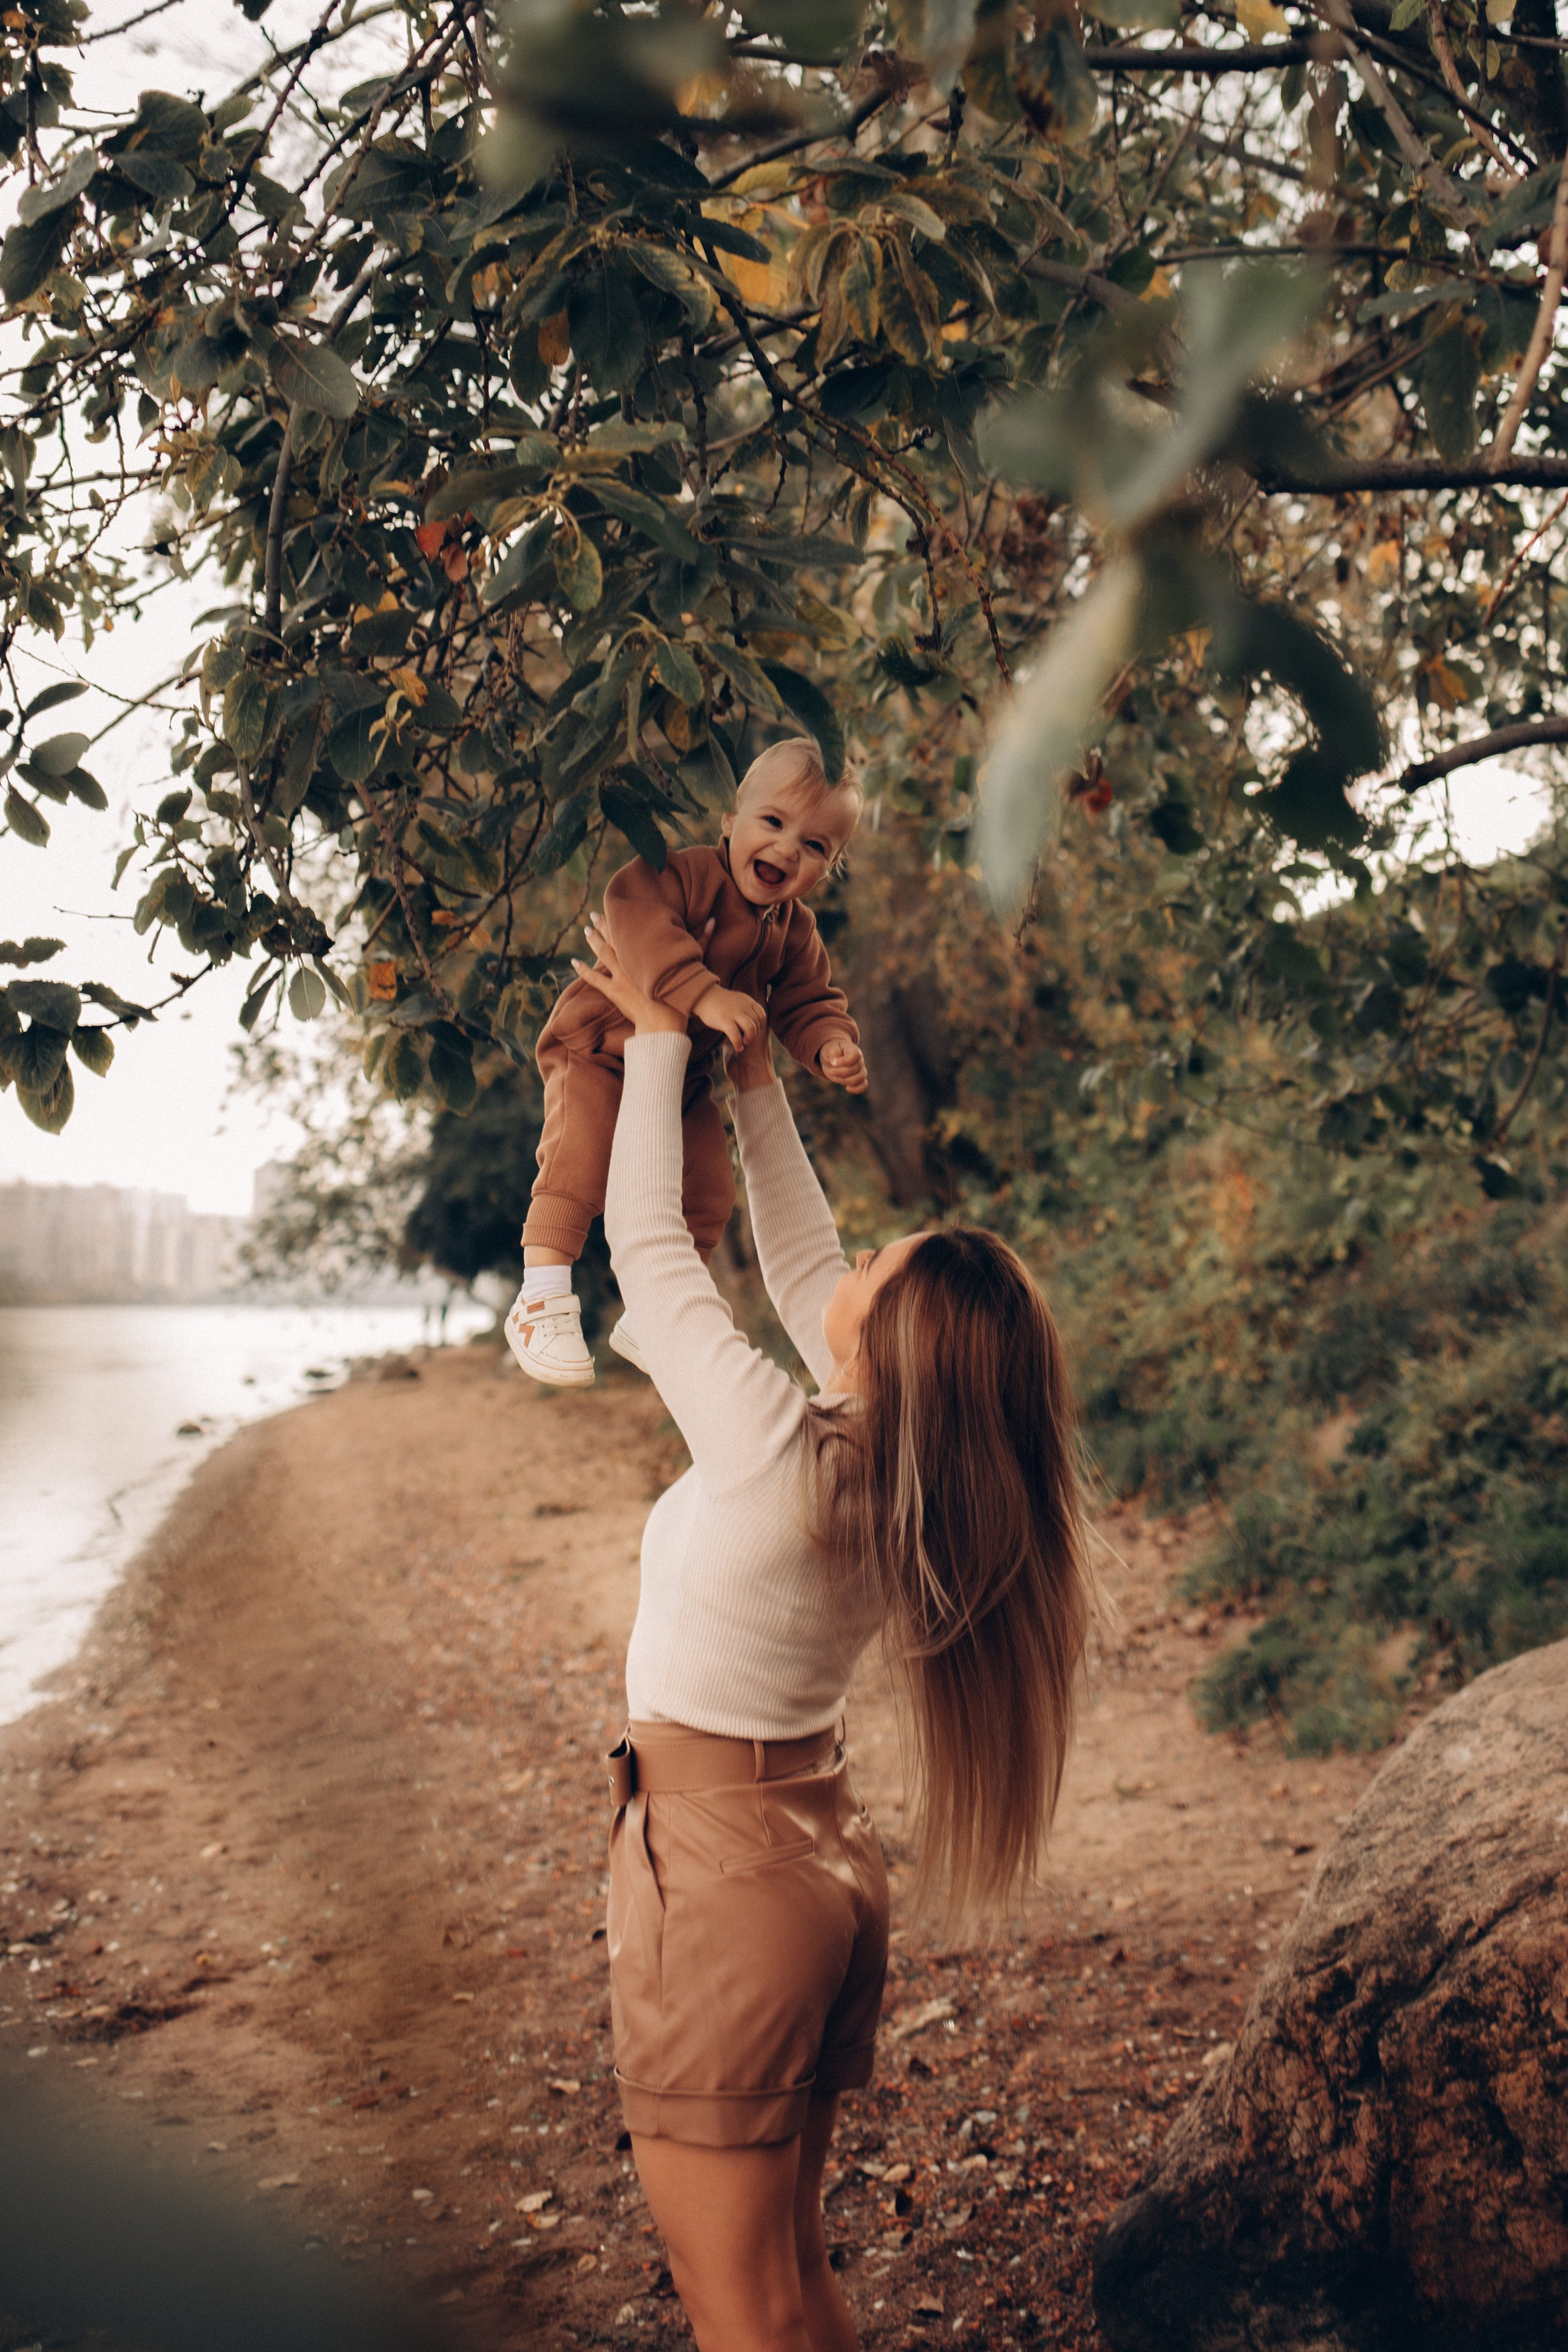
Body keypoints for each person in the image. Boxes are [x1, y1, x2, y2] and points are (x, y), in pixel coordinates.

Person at [568, 910, 1095, 2352]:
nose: (847, 1258)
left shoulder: (780, 1451)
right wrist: (748, 1076)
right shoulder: (889, 1463)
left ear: (873, 1345)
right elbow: (802, 1250)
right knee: (789, 2280)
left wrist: (659, 1029)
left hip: (725, 1879)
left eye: (879, 1257)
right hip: (806, 1856)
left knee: (739, 2307)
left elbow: (642, 1246)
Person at [504, 737, 869, 1390]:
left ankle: (655, 1312)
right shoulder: (684, 875)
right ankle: (541, 1295)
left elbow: (808, 999)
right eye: (774, 824)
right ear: (731, 823)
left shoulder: (796, 932)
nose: (788, 850)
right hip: (599, 1047)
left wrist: (828, 1044)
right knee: (578, 1160)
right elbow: (633, 913)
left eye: (816, 846)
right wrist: (702, 993)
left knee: (709, 1187)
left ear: (831, 865)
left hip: (680, 1078)